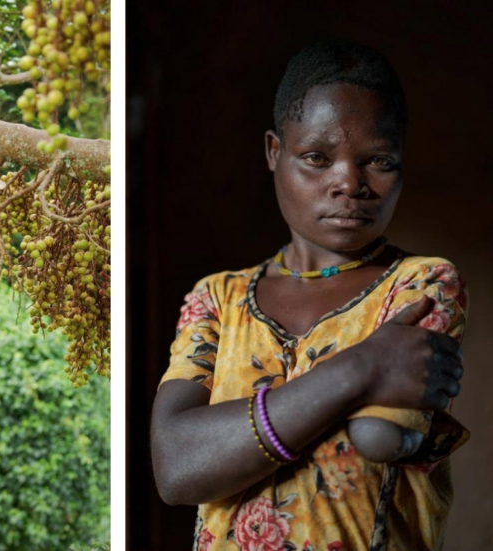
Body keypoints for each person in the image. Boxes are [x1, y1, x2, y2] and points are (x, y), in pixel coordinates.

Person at [150, 39, 469, 551]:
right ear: (275, 152)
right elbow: (177, 468)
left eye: (379, 161)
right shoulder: (217, 298)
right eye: (317, 157)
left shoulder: (421, 283)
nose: (349, 182)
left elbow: (379, 436)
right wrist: (361, 368)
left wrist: (227, 437)